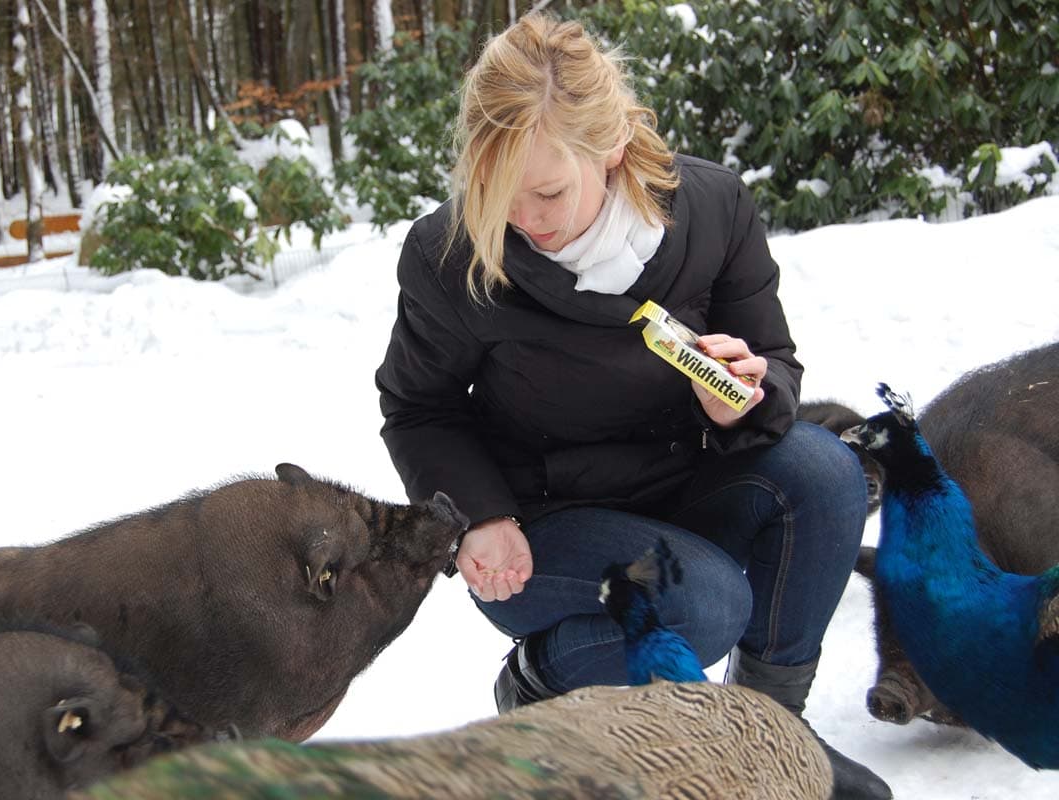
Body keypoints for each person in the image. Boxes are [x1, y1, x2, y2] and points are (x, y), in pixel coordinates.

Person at [375, 13, 890, 800]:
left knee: (826, 474)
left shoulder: (713, 207)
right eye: (497, 191)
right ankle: (538, 683)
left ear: (611, 147)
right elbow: (418, 408)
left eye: (547, 190)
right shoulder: (449, 255)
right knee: (703, 602)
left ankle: (765, 738)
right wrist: (478, 515)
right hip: (545, 528)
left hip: (684, 484)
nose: (524, 217)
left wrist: (743, 398)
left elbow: (774, 366)